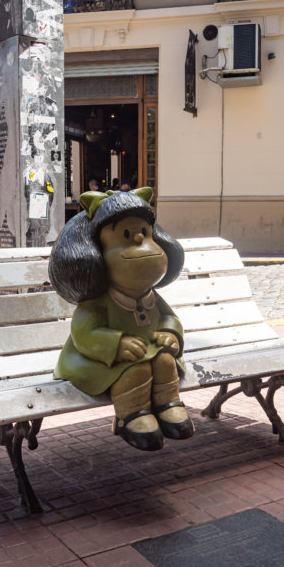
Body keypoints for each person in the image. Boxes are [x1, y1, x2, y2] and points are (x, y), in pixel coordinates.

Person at [49, 188, 194, 451]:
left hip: (147, 350)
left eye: (145, 234)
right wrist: (115, 344)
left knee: (164, 361)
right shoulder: (98, 302)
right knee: (134, 371)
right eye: (127, 236)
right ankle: (132, 416)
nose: (141, 241)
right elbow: (84, 333)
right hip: (97, 360)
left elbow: (169, 317)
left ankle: (169, 404)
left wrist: (170, 334)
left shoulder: (151, 296)